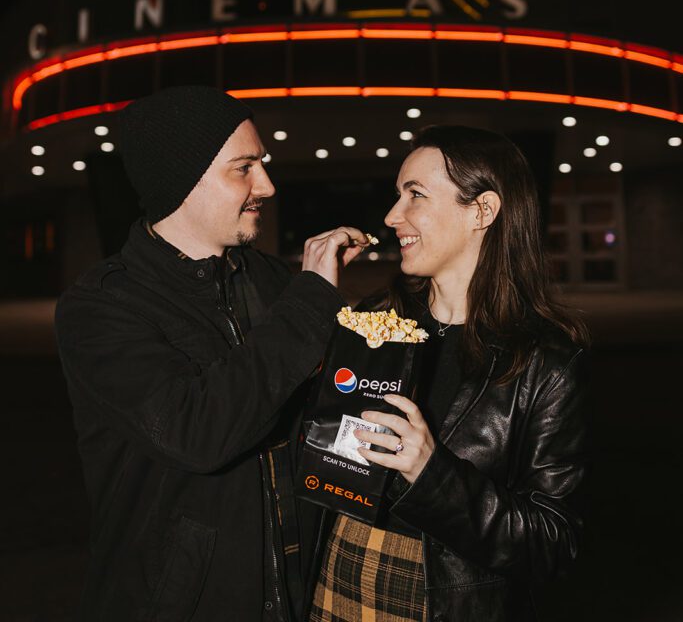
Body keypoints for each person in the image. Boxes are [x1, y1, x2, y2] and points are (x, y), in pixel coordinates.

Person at [54, 84, 371, 622]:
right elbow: (197, 433)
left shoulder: (276, 282)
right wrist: (312, 297)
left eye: (262, 164)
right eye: (244, 167)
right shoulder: (101, 307)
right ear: (182, 178)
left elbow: (324, 407)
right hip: (181, 605)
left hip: (298, 595)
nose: (267, 185)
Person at [303, 124, 591, 622]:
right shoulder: (374, 319)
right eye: (398, 195)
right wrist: (313, 305)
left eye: (415, 194)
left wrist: (431, 474)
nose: (394, 216)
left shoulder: (547, 360)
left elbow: (552, 541)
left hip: (446, 601)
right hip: (337, 577)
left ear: (483, 210)